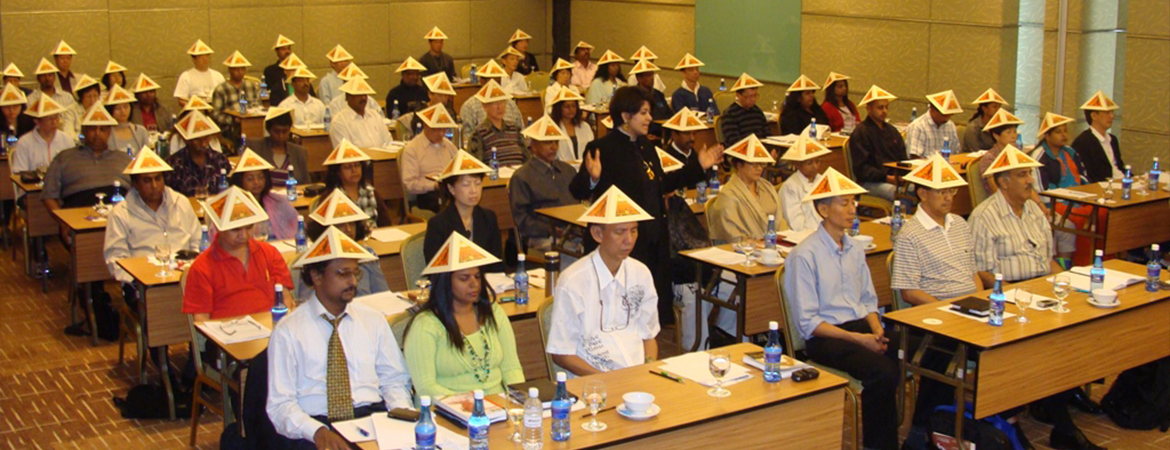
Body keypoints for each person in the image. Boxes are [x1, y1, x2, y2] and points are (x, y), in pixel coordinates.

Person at [970, 147, 1105, 450]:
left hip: (1041, 288)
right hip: (1007, 292)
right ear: (1003, 182)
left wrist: (1069, 282)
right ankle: (1062, 426)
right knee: (1042, 341)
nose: (1030, 180)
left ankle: (1062, 396)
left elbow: (1048, 260)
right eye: (1022, 175)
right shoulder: (984, 217)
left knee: (1079, 325)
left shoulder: (1035, 212)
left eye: (1029, 173)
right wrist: (1016, 293)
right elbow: (981, 272)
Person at [570, 86, 723, 324]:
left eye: (649, 112)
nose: (650, 118)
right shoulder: (601, 148)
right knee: (620, 312)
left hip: (652, 239)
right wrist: (593, 178)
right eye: (643, 113)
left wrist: (698, 167)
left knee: (648, 312)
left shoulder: (647, 146)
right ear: (625, 116)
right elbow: (577, 191)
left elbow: (662, 184)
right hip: (621, 242)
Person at [783, 167, 898, 450]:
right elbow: (808, 323)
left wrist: (876, 329)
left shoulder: (855, 248)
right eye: (844, 203)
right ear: (823, 210)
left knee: (921, 347)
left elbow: (868, 300)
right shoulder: (804, 255)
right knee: (883, 371)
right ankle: (878, 445)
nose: (852, 209)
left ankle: (926, 431)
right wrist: (860, 339)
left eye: (853, 202)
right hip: (827, 337)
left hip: (861, 326)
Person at [268, 226, 411, 449]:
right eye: (343, 274)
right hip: (316, 423)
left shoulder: (373, 320)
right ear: (317, 276)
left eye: (355, 273)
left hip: (370, 416)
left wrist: (399, 413)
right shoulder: (288, 330)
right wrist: (317, 432)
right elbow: (281, 405)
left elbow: (394, 380)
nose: (353, 281)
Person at [889, 154, 996, 447]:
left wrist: (979, 300)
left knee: (1010, 340)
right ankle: (924, 429)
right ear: (922, 193)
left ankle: (998, 417)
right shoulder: (910, 234)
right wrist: (948, 309)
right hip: (933, 313)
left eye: (951, 190)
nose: (949, 197)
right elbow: (908, 291)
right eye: (941, 191)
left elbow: (972, 273)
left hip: (969, 308)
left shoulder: (960, 224)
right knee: (946, 348)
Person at [547, 186, 660, 375]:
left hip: (636, 375)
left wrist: (647, 369)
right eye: (620, 232)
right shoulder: (573, 281)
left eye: (633, 231)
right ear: (598, 234)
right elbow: (561, 353)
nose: (629, 240)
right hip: (592, 380)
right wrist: (608, 380)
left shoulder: (641, 273)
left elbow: (648, 336)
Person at [405, 232, 524, 396]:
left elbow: (512, 368)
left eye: (477, 277)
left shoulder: (494, 312)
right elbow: (426, 387)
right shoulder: (425, 324)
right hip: (449, 407)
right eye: (464, 278)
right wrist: (471, 405)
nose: (474, 284)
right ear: (446, 282)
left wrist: (519, 398)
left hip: (499, 404)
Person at [104, 147, 200, 289]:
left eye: (158, 179)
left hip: (186, 276)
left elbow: (197, 241)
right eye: (147, 181)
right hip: (144, 282)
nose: (155, 186)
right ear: (135, 184)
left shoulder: (181, 203)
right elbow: (115, 259)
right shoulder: (121, 213)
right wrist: (136, 281)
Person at [297, 189, 390, 302]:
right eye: (340, 224)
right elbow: (307, 301)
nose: (348, 229)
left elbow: (384, 295)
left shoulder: (367, 255)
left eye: (351, 223)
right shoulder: (315, 259)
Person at [422, 150, 505, 273]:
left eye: (477, 183)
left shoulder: (488, 218)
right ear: (451, 189)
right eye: (466, 185)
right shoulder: (438, 224)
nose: (474, 190)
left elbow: (496, 264)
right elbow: (436, 270)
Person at [42, 104, 132, 210]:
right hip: (77, 216)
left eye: (102, 129)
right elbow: (48, 196)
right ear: (84, 131)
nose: (97, 133)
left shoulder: (124, 159)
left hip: (119, 215)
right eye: (92, 129)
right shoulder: (64, 158)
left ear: (109, 133)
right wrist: (62, 219)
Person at [1034, 112, 1095, 264]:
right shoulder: (1039, 156)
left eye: (1065, 131)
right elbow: (1041, 191)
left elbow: (1083, 177)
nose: (1064, 135)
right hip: (1053, 203)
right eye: (1058, 132)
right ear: (1047, 136)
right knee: (1077, 222)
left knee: (1100, 216)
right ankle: (1069, 265)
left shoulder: (1071, 152)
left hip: (1077, 199)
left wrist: (1085, 195)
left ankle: (1091, 261)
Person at [510, 115, 578, 251]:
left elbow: (579, 204)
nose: (554, 147)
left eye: (556, 142)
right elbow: (521, 219)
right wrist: (549, 229)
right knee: (571, 256)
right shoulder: (522, 176)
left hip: (574, 231)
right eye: (548, 143)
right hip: (542, 236)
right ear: (533, 146)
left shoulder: (567, 170)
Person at [708, 135, 786, 243]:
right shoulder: (728, 195)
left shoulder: (767, 187)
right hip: (747, 249)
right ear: (739, 165)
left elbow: (780, 222)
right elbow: (733, 236)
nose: (759, 168)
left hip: (776, 244)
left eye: (762, 164)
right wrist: (760, 242)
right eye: (754, 164)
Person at [313, 141, 390, 231]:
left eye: (357, 165)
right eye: (348, 167)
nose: (354, 170)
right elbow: (320, 229)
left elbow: (386, 223)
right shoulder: (330, 196)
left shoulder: (370, 192)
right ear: (338, 172)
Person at [849, 85, 907, 202]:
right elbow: (862, 169)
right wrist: (887, 178)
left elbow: (903, 159)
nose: (884, 111)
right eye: (880, 108)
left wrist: (902, 176)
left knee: (919, 189)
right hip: (870, 182)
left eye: (886, 107)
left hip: (895, 178)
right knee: (898, 193)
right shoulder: (861, 132)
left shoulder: (892, 131)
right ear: (869, 108)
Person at [400, 104, 459, 213]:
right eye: (436, 130)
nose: (441, 134)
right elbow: (409, 184)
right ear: (425, 126)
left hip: (450, 189)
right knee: (447, 205)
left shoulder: (449, 146)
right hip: (427, 194)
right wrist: (434, 186)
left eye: (443, 130)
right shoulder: (412, 149)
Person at [230, 149, 299, 241]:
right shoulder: (232, 206)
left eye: (260, 177)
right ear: (240, 181)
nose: (256, 182)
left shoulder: (278, 201)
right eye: (250, 179)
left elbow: (298, 224)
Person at [164, 110, 232, 197]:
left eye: (206, 138)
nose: (203, 144)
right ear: (186, 140)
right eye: (197, 139)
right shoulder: (173, 164)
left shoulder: (220, 160)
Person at [468, 80, 527, 167]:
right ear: (485, 106)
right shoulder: (479, 134)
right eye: (495, 103)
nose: (500, 107)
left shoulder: (514, 129)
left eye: (502, 102)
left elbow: (527, 159)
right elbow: (476, 166)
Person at [1070, 90, 1124, 183]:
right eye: (1107, 113)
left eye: (1112, 112)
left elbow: (1120, 167)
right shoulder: (1083, 142)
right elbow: (1086, 175)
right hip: (1103, 186)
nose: (1112, 116)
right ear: (1094, 116)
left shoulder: (1113, 139)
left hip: (1121, 182)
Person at [780, 135, 830, 232]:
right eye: (809, 163)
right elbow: (796, 224)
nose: (815, 166)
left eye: (817, 161)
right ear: (797, 164)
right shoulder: (790, 187)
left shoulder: (823, 180)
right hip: (804, 235)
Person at [247, 107, 310, 185]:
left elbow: (306, 183)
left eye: (285, 131)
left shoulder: (299, 152)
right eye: (276, 132)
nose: (281, 136)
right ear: (269, 130)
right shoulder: (255, 147)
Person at [211, 51, 262, 143]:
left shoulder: (251, 86)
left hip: (251, 123)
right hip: (230, 127)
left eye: (242, 69)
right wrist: (233, 120)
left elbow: (258, 106)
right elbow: (216, 114)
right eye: (236, 69)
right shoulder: (221, 89)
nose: (240, 72)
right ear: (230, 70)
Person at [11, 96, 71, 174]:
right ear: (37, 121)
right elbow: (19, 172)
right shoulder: (24, 142)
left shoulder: (67, 139)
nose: (54, 122)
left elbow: (73, 168)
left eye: (56, 118)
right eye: (49, 119)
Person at [458, 60, 523, 130]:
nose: (494, 86)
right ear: (482, 82)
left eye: (498, 81)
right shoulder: (470, 106)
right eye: (492, 82)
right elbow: (466, 135)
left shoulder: (510, 104)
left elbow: (521, 131)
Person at [330, 78, 391, 149]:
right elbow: (345, 151)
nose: (363, 98)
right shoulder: (339, 122)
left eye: (365, 95)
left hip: (383, 155)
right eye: (359, 95)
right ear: (347, 97)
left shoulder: (375, 116)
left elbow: (389, 142)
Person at [975, 108, 1025, 195]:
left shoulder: (1016, 153)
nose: (1014, 136)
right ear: (996, 136)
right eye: (1008, 132)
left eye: (1015, 132)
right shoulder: (989, 158)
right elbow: (994, 188)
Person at [905, 89, 963, 158]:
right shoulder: (918, 126)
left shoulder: (950, 125)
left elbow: (956, 152)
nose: (946, 119)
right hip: (925, 164)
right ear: (932, 109)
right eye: (944, 115)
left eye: (950, 115)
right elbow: (914, 157)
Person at [720, 73, 770, 147]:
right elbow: (734, 141)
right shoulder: (730, 114)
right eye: (749, 96)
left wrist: (772, 149)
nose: (753, 99)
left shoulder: (757, 111)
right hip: (743, 150)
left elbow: (768, 135)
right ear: (738, 95)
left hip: (761, 148)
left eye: (755, 95)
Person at [174, 40, 226, 109]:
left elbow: (225, 96)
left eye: (207, 56)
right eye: (201, 57)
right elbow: (181, 100)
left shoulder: (218, 75)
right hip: (195, 109)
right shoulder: (186, 76)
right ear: (194, 60)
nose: (204, 59)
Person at [548, 86, 593, 162]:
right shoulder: (553, 128)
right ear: (559, 108)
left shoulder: (585, 127)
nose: (571, 109)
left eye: (573, 106)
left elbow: (591, 150)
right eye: (567, 106)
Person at [28, 58, 78, 125]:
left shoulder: (67, 97)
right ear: (38, 78)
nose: (47, 78)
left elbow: (75, 119)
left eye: (50, 75)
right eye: (43, 76)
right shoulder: (31, 99)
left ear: (54, 77)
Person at [104, 85, 150, 154]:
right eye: (117, 108)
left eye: (126, 106)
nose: (123, 111)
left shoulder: (141, 131)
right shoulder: (105, 134)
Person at [629, 60, 670, 136]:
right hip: (645, 134)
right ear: (639, 78)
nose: (652, 78)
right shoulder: (633, 96)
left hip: (663, 132)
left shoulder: (659, 94)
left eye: (652, 74)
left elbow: (669, 114)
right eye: (648, 75)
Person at [63, 75, 102, 141]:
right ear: (81, 97)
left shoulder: (101, 109)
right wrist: (83, 138)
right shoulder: (71, 110)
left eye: (95, 96)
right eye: (88, 96)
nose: (92, 100)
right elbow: (68, 134)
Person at [263, 35, 296, 108]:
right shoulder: (270, 71)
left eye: (289, 49)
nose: (287, 51)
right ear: (277, 51)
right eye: (283, 49)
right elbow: (268, 93)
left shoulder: (298, 68)